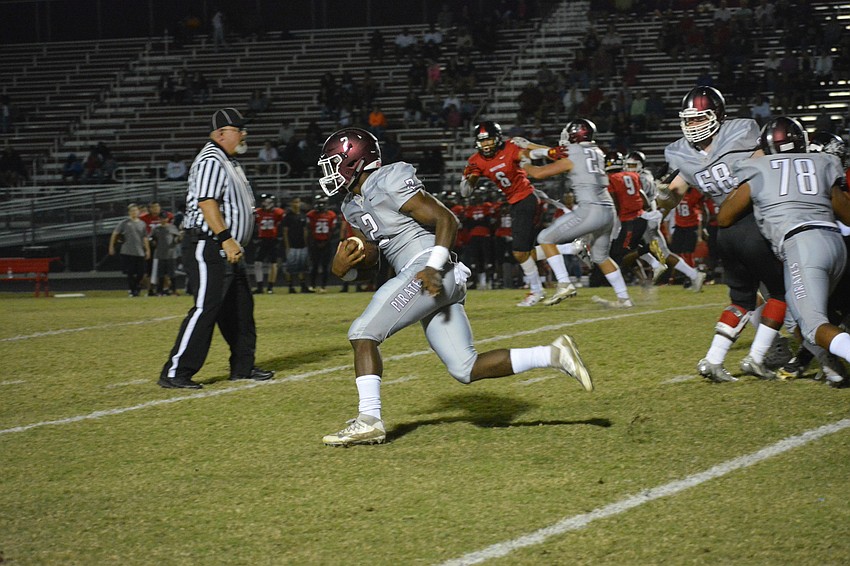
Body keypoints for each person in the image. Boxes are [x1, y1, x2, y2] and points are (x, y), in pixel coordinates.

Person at [315, 127, 592, 446]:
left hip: (429, 268)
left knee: (363, 333)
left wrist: (433, 267)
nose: (330, 172)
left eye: (334, 163)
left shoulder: (387, 180)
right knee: (465, 367)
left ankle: (369, 420)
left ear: (355, 160)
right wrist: (345, 271)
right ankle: (553, 354)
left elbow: (446, 219)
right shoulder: (351, 205)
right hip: (425, 275)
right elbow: (374, 260)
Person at [657, 86, 787, 382]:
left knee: (743, 299)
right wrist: (660, 200)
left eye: (699, 118)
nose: (693, 125)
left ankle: (716, 359)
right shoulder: (681, 152)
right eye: (689, 120)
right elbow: (672, 194)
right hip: (749, 225)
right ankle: (775, 352)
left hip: (730, 229)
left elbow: (768, 166)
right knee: (783, 292)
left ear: (717, 116)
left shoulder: (740, 132)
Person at [717, 116, 850, 387]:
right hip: (835, 243)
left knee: (813, 324)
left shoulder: (758, 167)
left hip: (801, 245)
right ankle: (833, 370)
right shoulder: (823, 162)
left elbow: (724, 217)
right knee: (794, 318)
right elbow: (847, 214)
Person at [159, 107, 274, 389]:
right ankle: (176, 371)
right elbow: (207, 202)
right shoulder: (211, 159)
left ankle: (242, 367)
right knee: (206, 307)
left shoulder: (227, 160)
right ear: (221, 133)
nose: (244, 134)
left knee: (241, 309)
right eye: (239, 130)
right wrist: (225, 238)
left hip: (228, 247)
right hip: (209, 244)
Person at [521, 119, 635, 309]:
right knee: (600, 257)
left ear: (575, 135)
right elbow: (557, 155)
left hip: (591, 209)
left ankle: (564, 283)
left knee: (545, 238)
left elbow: (539, 173)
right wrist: (532, 148)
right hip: (608, 210)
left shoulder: (574, 151)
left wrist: (524, 162)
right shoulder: (597, 151)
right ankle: (624, 299)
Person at [461, 121, 563, 306]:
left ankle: (536, 291)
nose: (486, 145)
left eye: (489, 140)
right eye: (482, 141)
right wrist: (466, 178)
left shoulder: (510, 147)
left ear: (498, 139)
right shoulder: (476, 160)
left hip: (526, 198)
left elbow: (529, 154)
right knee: (525, 252)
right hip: (516, 201)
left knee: (519, 252)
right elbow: (466, 192)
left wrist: (548, 152)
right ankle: (572, 248)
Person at [109, 203, 150, 297]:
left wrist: (147, 250)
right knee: (130, 272)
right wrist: (111, 246)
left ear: (138, 211)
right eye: (132, 211)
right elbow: (115, 234)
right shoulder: (124, 223)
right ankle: (133, 290)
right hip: (127, 251)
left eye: (135, 210)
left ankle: (137, 286)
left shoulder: (142, 223)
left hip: (139, 251)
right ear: (129, 212)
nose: (134, 212)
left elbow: (145, 237)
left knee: (141, 273)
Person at [253, 193, 285, 294]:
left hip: (273, 240)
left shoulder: (278, 212)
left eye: (265, 201)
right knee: (257, 263)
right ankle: (260, 286)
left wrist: (279, 237)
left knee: (273, 263)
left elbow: (282, 226)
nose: (264, 203)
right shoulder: (258, 212)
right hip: (262, 240)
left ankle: (270, 287)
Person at [306, 195, 338, 293]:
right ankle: (312, 285)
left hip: (327, 243)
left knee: (325, 266)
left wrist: (326, 241)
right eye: (319, 203)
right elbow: (309, 230)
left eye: (323, 203)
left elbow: (333, 230)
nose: (321, 205)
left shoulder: (331, 215)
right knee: (314, 265)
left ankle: (323, 286)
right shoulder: (311, 214)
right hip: (315, 242)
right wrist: (314, 241)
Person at [282, 196, 312, 293]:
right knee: (290, 266)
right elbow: (285, 232)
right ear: (291, 204)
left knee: (302, 266)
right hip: (292, 245)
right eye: (294, 202)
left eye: (298, 202)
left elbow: (305, 230)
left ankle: (303, 285)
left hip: (301, 244)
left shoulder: (303, 215)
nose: (296, 204)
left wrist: (306, 243)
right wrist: (287, 245)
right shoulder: (288, 216)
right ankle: (290, 286)